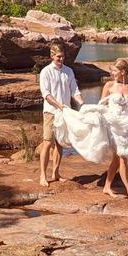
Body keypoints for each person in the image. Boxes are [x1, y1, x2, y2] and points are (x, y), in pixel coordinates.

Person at [38, 42, 84, 187]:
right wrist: (58, 105)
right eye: (58, 57)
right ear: (52, 56)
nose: (61, 59)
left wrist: (83, 104)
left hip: (66, 113)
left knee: (60, 143)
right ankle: (42, 176)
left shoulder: (69, 71)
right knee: (47, 143)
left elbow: (74, 91)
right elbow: (46, 94)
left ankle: (56, 173)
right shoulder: (46, 71)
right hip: (51, 112)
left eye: (63, 56)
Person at [100, 59, 128, 202]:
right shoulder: (110, 85)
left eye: (114, 71)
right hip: (112, 125)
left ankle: (107, 186)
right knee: (123, 158)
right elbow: (101, 106)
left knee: (117, 159)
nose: (112, 73)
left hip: (126, 126)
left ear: (123, 72)